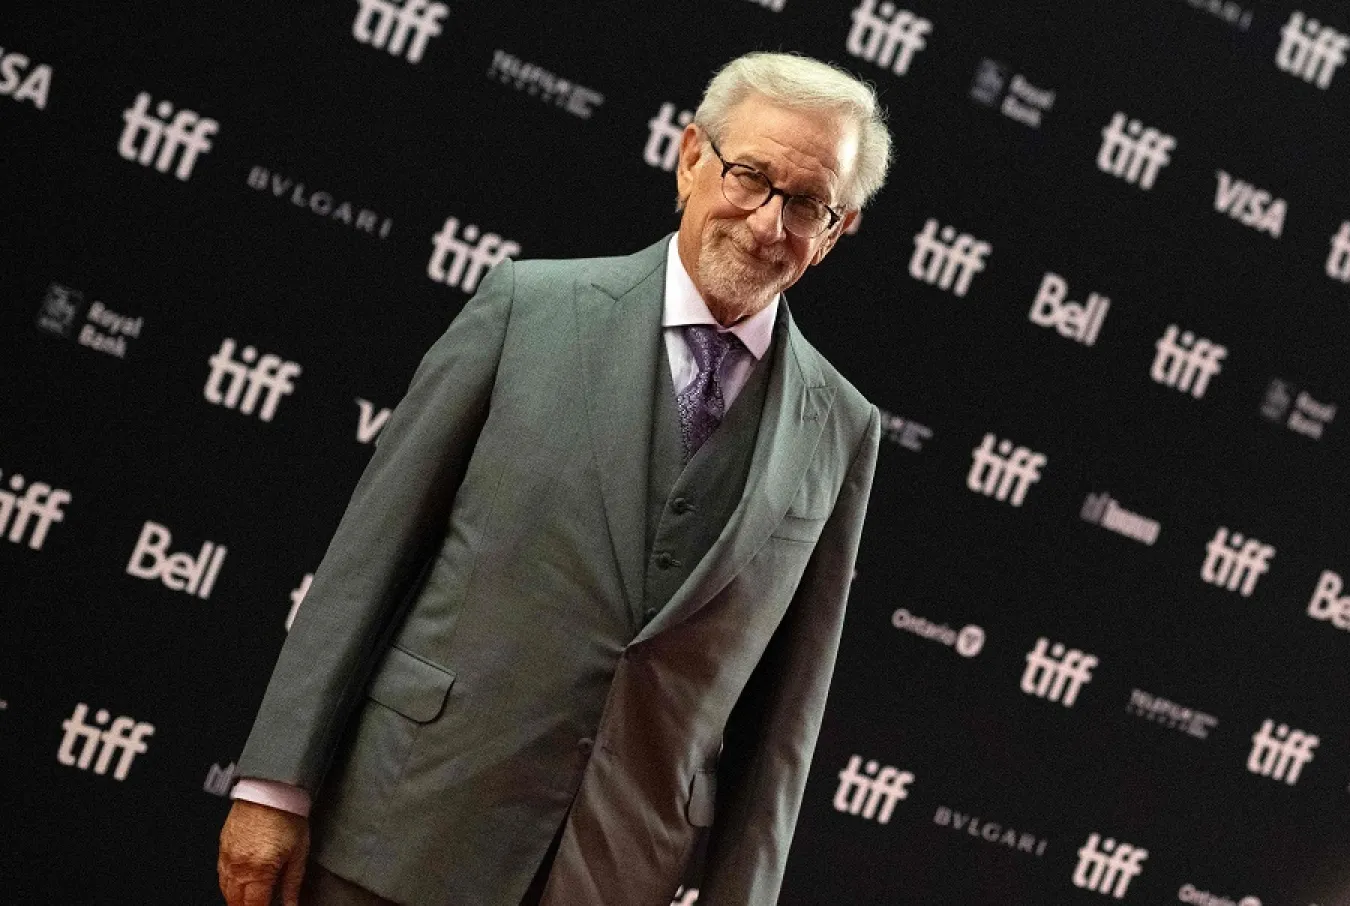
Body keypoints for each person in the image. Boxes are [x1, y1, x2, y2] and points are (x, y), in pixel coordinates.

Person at [217, 50, 892, 906]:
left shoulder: (843, 428)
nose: (766, 224)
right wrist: (275, 787)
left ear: (837, 229)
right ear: (691, 158)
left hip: (616, 874)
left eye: (806, 203)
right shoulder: (525, 309)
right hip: (407, 828)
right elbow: (367, 560)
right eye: (751, 177)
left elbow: (788, 711)